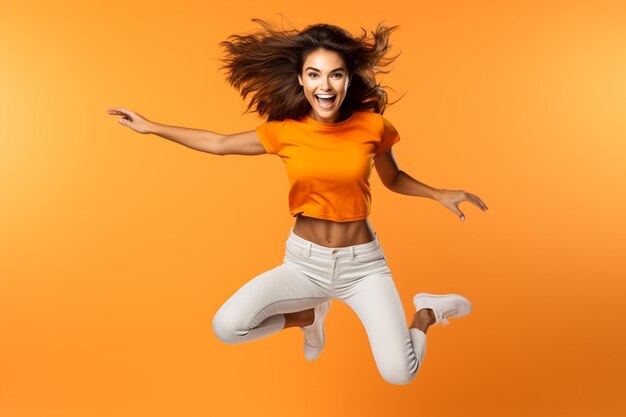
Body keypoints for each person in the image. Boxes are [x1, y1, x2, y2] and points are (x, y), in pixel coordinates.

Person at [107, 20, 488, 385]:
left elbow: (393, 179)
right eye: (315, 74)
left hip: (364, 269)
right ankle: (305, 316)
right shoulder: (285, 133)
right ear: (302, 79)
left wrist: (439, 193)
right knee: (228, 326)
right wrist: (152, 126)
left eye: (335, 74)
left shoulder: (373, 126)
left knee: (400, 373)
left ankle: (427, 311)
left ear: (348, 79)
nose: (325, 85)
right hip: (305, 264)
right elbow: (219, 144)